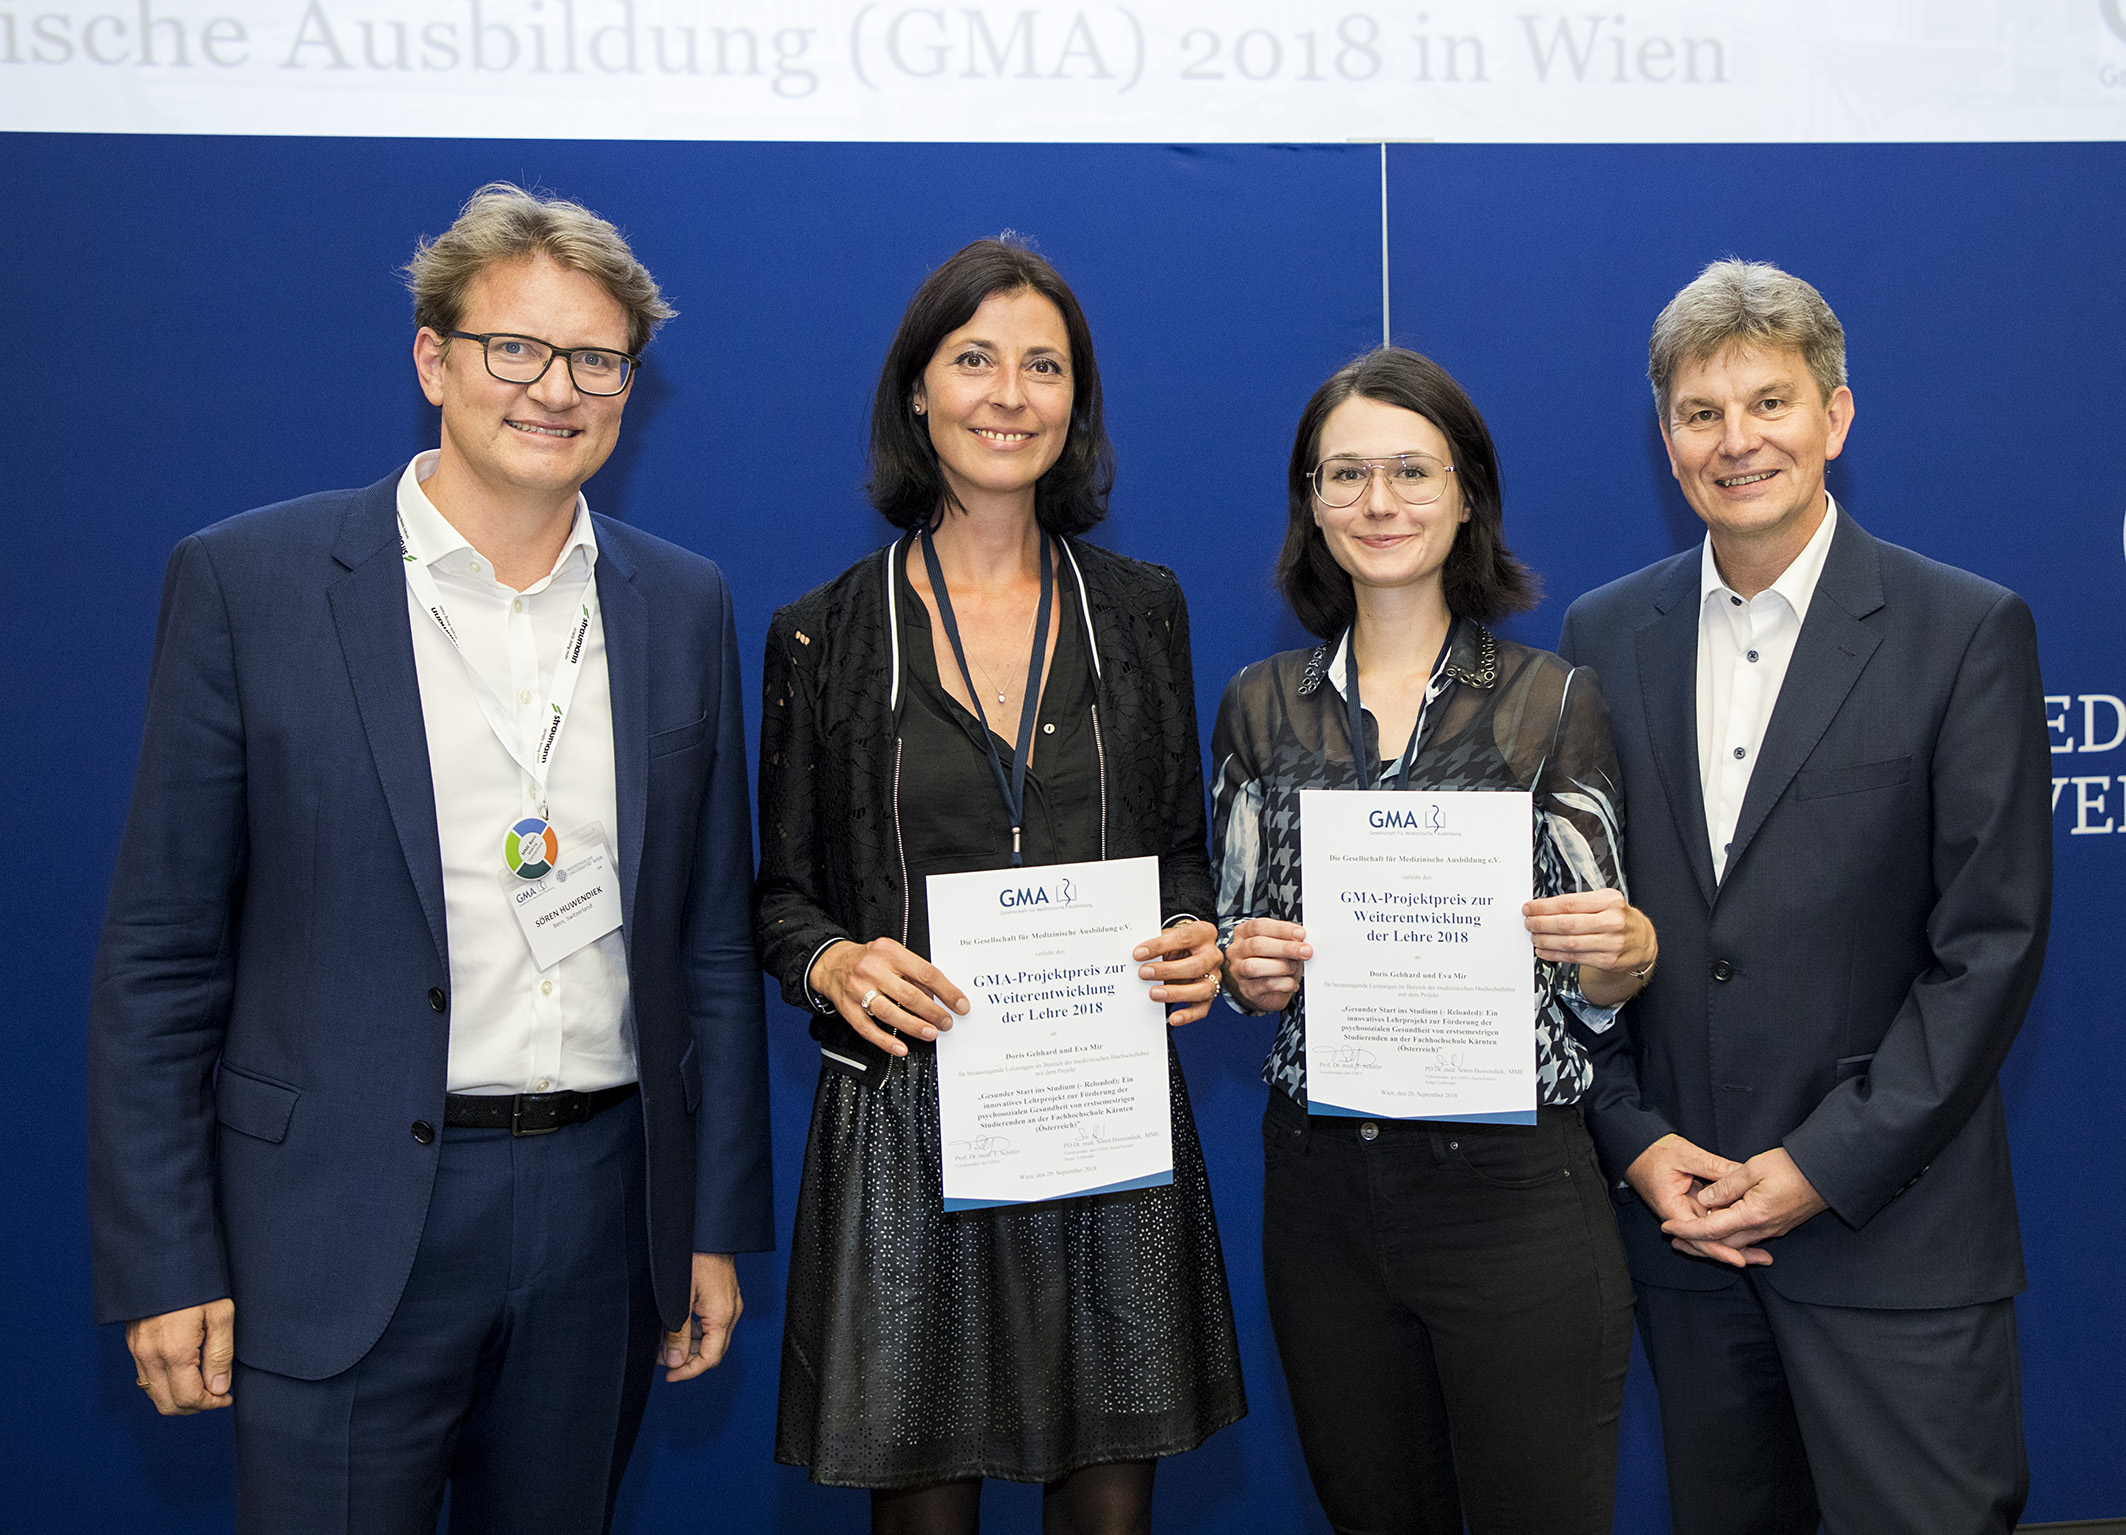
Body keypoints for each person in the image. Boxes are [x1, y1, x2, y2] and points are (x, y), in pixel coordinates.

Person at [88, 183, 773, 1532]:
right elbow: (161, 951)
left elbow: (707, 938)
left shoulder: (681, 602)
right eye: (514, 347)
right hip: (333, 1223)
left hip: (600, 1218)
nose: (554, 388)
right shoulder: (251, 582)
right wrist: (165, 1257)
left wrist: (708, 1218)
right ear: (431, 358)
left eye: (595, 360)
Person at [755, 236, 1246, 1534]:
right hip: (906, 1127)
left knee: (1109, 1518)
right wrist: (833, 960)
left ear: (1076, 401)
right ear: (916, 389)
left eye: (1043, 365)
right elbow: (778, 895)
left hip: (1100, 1112)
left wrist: (1190, 928)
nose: (1009, 394)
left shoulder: (1140, 610)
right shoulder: (822, 630)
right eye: (974, 359)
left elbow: (1179, 847)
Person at [1557, 259, 2052, 1535]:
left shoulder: (1962, 629)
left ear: (1834, 416)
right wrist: (1632, 1137)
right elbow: (1573, 923)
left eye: (1768, 402)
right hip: (1685, 1241)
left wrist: (1818, 1165)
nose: (1736, 440)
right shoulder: (1600, 638)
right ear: (1665, 437)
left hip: (1892, 1238)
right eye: (1699, 412)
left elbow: (1988, 947)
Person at [1210, 347, 1655, 1535]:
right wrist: (1246, 970)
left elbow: (1600, 979)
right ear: (1311, 501)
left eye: (1412, 470)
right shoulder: (1257, 704)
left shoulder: (1551, 699)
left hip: (1510, 1192)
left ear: (1467, 497)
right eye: (1345, 473)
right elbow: (1239, 945)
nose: (1379, 500)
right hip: (1323, 1197)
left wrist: (1619, 952)